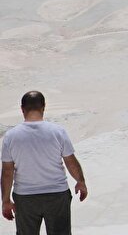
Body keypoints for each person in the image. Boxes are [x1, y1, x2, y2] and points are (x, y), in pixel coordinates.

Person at [1, 91, 87, 234]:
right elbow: (70, 161)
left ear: (22, 109)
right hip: (57, 195)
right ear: (43, 107)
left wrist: (5, 201)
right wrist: (80, 181)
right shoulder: (58, 132)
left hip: (25, 197)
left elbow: (7, 172)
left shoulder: (11, 136)